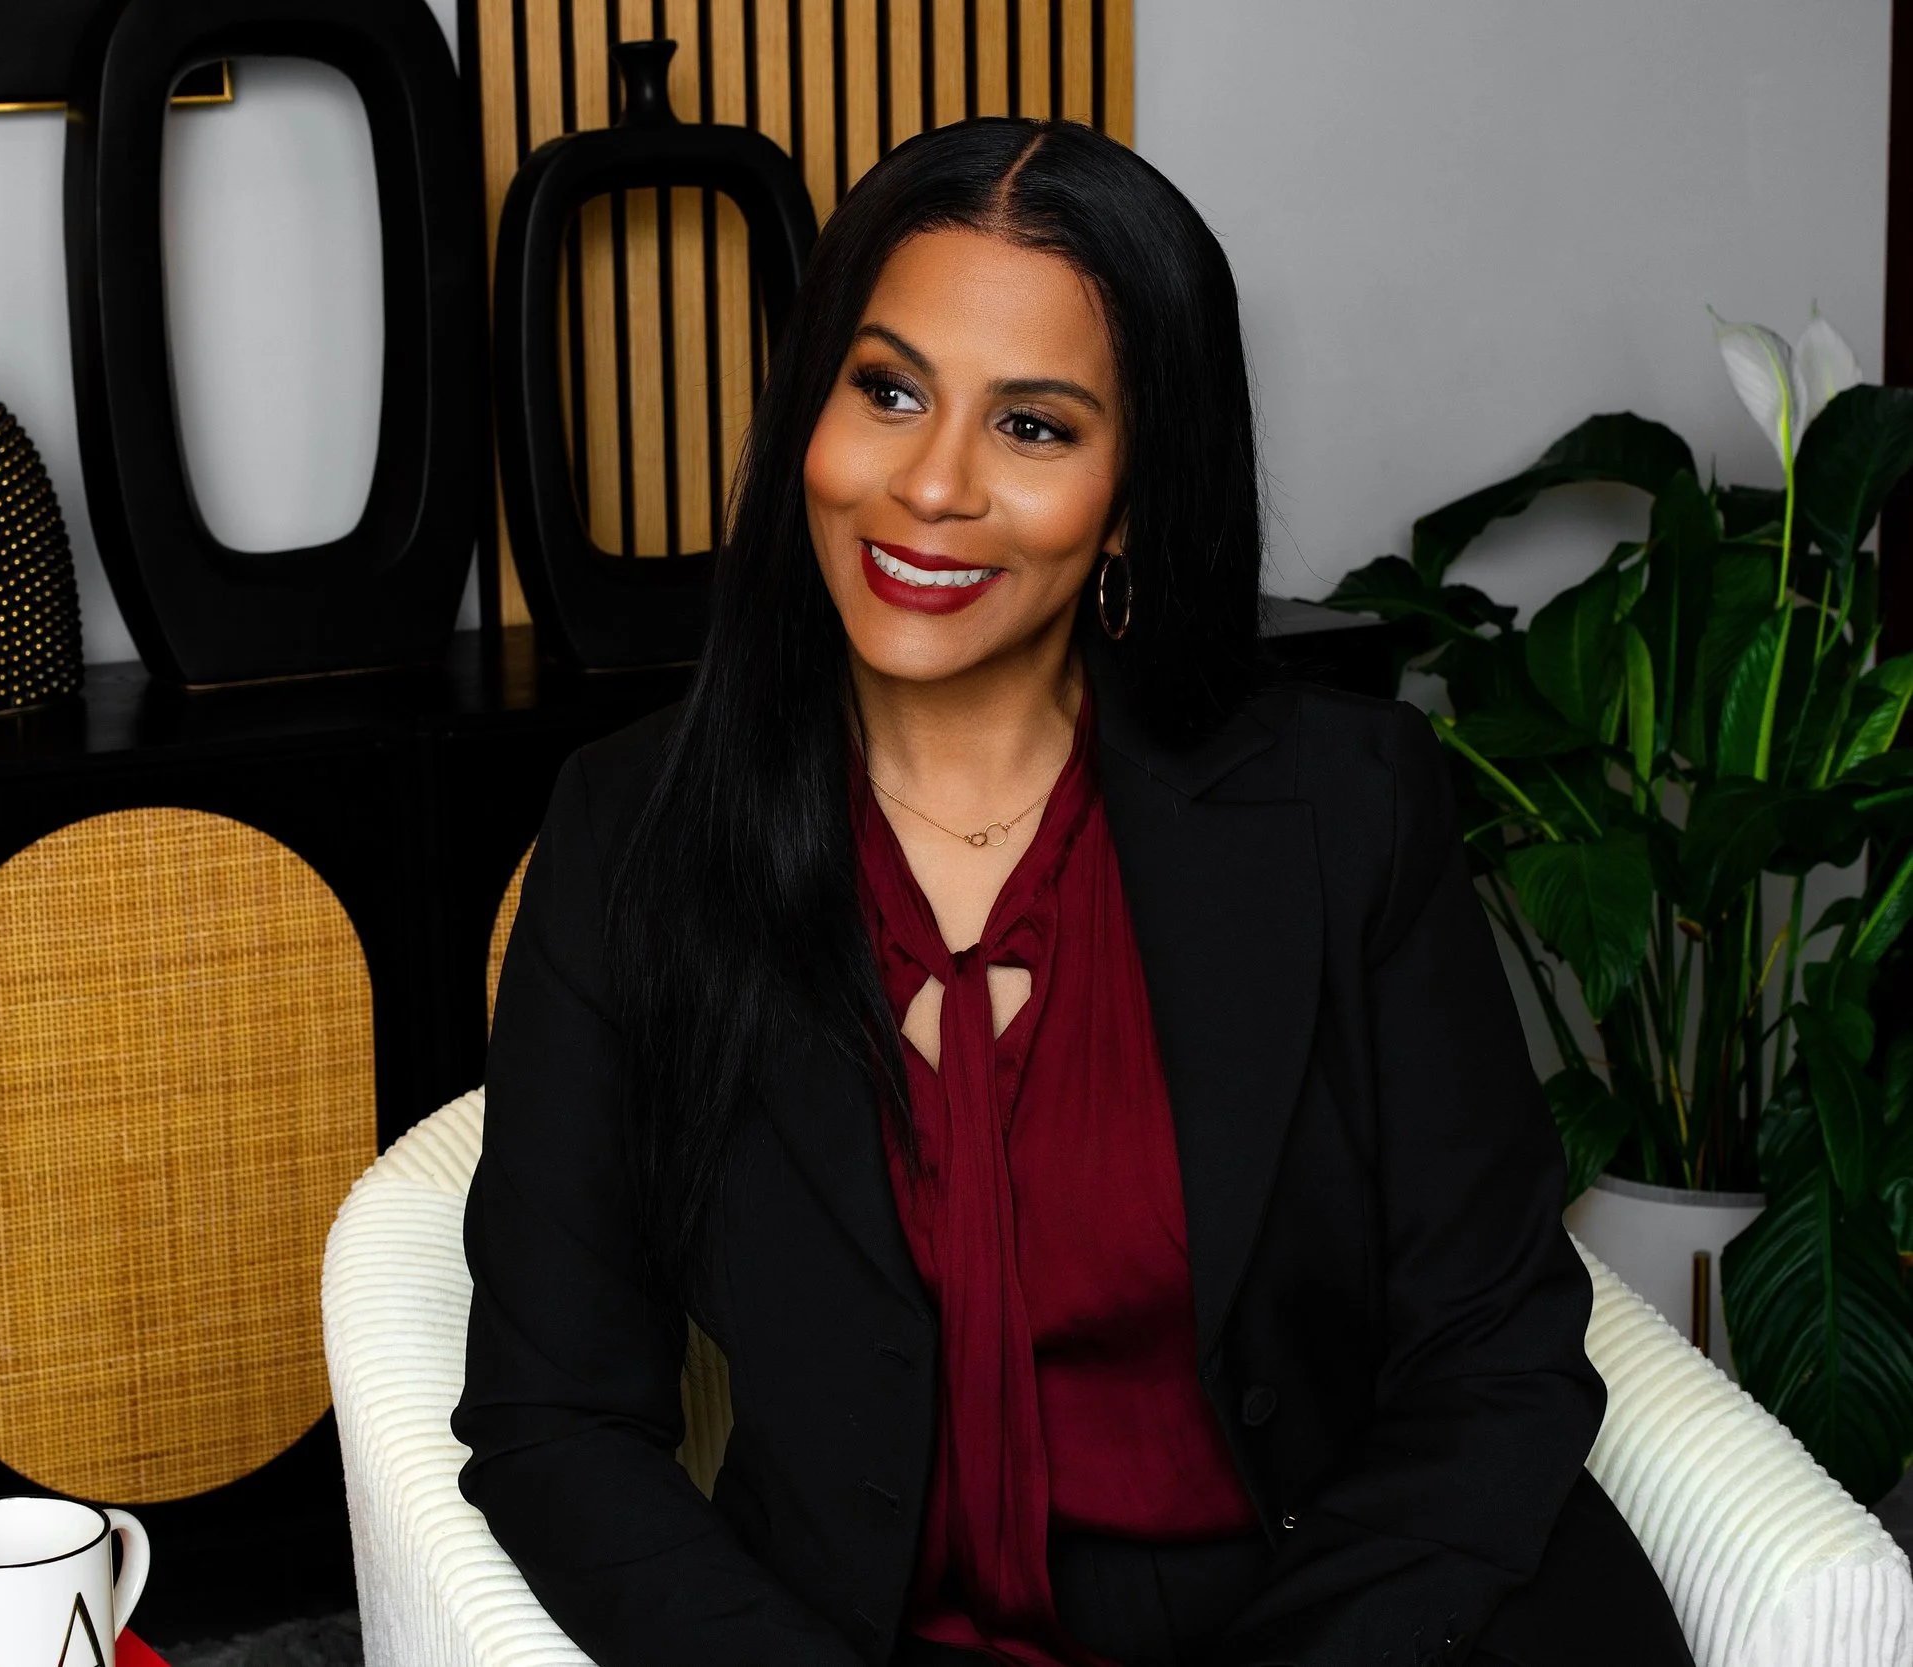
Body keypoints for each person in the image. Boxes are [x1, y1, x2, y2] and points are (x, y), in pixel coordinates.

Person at [453, 117, 1692, 1667]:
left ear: (1133, 492)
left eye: (1033, 427)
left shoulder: (1345, 808)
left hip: (1341, 1625)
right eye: (887, 390)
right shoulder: (632, 832)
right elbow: (551, 1412)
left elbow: (1496, 1356)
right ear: (809, 414)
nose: (932, 485)